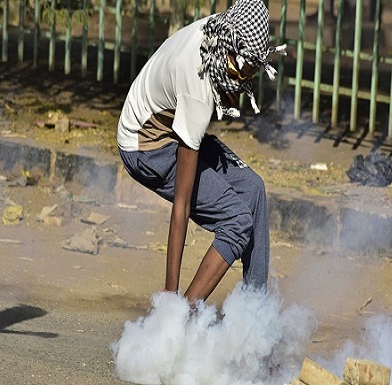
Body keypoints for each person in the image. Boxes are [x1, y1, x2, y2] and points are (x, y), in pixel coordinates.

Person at [117, 0, 286, 304]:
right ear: (229, 52)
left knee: (253, 189)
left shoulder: (222, 33)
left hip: (170, 125)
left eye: (249, 76)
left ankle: (254, 319)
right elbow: (180, 207)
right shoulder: (198, 89)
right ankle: (184, 316)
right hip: (144, 146)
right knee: (237, 221)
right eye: (240, 72)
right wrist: (169, 295)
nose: (241, 83)